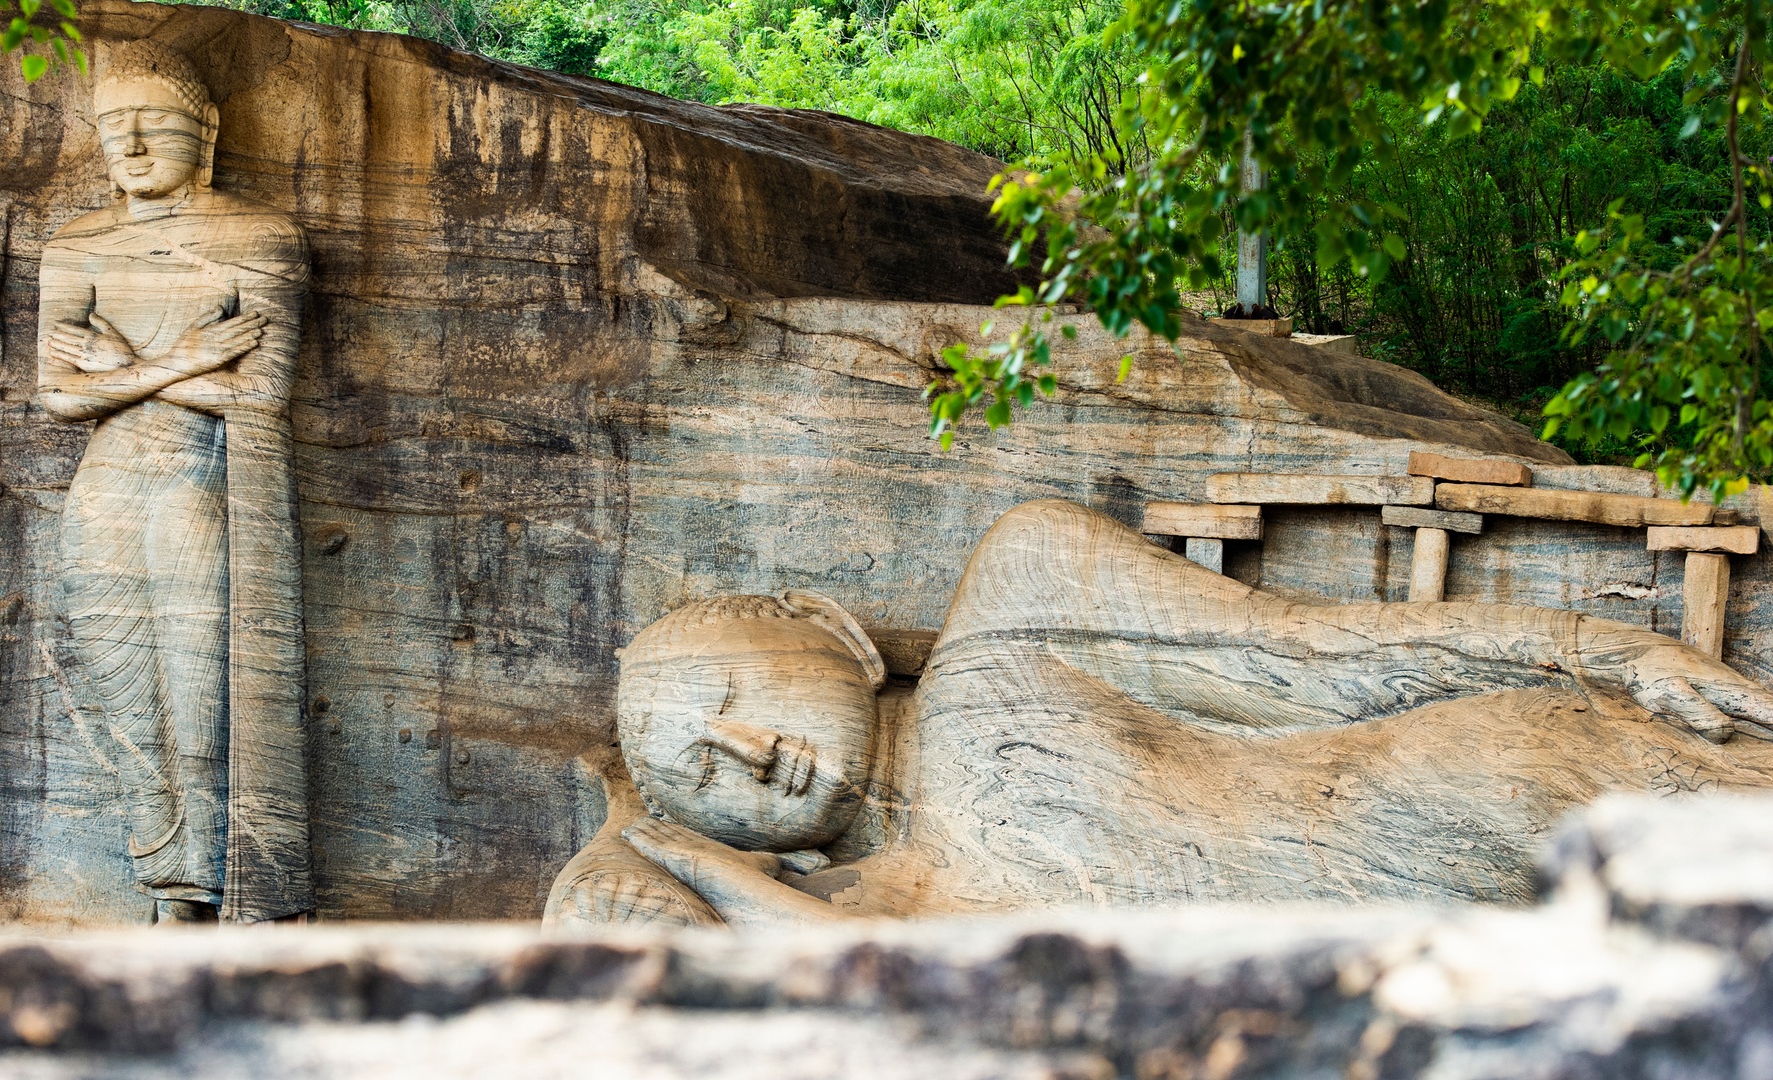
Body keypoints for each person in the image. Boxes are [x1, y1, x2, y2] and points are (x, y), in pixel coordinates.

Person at [547, 498, 1773, 927]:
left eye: (733, 697)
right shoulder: (896, 899)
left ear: (835, 627)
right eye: (699, 772)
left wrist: (1593, 645)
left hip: (1540, 786)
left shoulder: (1019, 607)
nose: (750, 752)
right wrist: (630, 847)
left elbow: (1322, 654)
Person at [38, 41, 311, 924]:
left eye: (154, 123)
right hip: (104, 494)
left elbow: (260, 396)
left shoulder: (257, 236)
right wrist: (187, 356)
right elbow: (57, 396)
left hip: (199, 486)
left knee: (203, 704)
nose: (134, 144)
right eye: (114, 128)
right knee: (126, 704)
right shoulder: (76, 245)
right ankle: (167, 891)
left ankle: (223, 887)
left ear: (210, 129)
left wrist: (130, 365)